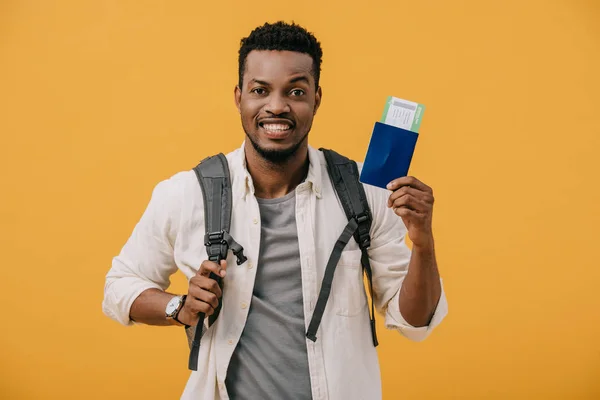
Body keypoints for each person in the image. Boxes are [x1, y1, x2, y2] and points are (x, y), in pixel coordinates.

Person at [102, 21, 448, 400]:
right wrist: (179, 307)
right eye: (260, 90)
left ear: (316, 98)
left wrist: (424, 242)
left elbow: (415, 321)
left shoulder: (364, 194)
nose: (277, 106)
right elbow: (119, 287)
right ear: (239, 98)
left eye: (296, 91)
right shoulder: (186, 194)